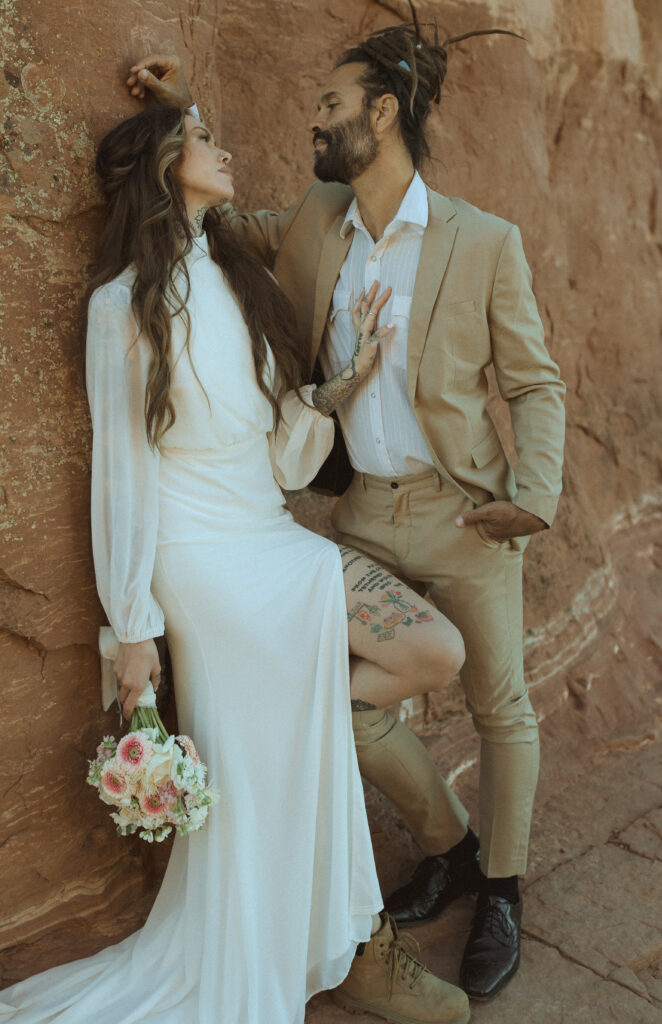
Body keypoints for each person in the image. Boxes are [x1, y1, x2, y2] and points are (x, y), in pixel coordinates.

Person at [128, 0, 566, 1005]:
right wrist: (182, 112)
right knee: (342, 694)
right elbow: (218, 216)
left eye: (329, 105)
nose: (312, 123)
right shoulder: (318, 224)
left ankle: (499, 889)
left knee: (501, 705)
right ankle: (447, 844)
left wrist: (530, 493)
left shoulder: (482, 241)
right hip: (360, 512)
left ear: (380, 114)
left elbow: (534, 385)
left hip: (465, 514)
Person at [0, 107, 471, 1024]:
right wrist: (132, 627)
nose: (226, 149)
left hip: (271, 537)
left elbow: (278, 455)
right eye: (205, 137)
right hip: (200, 562)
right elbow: (121, 474)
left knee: (433, 646)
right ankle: (352, 948)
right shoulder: (118, 306)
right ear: (170, 164)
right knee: (287, 739)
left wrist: (342, 385)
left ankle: (343, 929)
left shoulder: (233, 276)